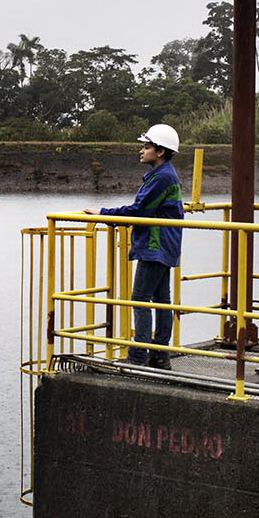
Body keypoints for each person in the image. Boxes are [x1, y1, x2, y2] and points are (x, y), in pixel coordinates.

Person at [84, 124, 185, 369]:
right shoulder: (164, 175)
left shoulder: (162, 178)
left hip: (155, 244)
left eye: (147, 146)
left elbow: (139, 210)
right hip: (166, 243)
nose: (142, 150)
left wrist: (103, 214)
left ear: (160, 152)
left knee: (139, 299)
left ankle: (139, 355)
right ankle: (160, 355)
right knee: (161, 299)